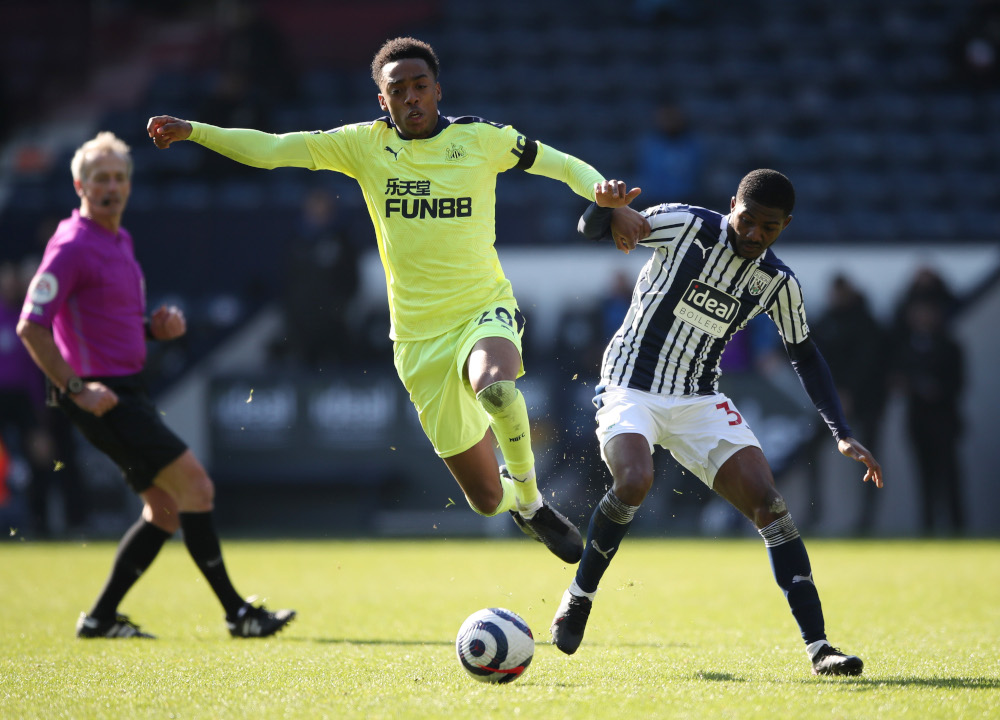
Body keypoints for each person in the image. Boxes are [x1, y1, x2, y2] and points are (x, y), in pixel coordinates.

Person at [146, 37, 638, 563]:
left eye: (419, 86)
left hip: (482, 310)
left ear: (437, 90)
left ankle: (534, 502)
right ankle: (514, 502)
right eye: (397, 89)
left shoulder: (480, 138)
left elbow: (559, 164)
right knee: (485, 500)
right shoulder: (363, 145)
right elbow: (272, 149)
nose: (411, 97)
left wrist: (600, 193)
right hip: (416, 339)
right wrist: (196, 131)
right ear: (382, 100)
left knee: (497, 390)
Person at [549, 170, 883, 677]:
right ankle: (580, 595)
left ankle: (820, 649)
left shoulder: (778, 281)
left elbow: (806, 355)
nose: (753, 234)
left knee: (770, 505)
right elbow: (597, 229)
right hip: (629, 385)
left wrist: (841, 432)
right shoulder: (686, 226)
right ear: (732, 205)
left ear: (784, 226)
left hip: (698, 399)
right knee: (635, 481)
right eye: (747, 220)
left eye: (767, 228)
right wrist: (604, 208)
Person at [17, 131, 295, 639]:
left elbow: (103, 319)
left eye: (120, 178)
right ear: (79, 183)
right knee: (197, 486)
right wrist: (78, 388)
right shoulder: (72, 245)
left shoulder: (117, 239)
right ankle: (238, 614)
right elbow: (31, 325)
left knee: (165, 510)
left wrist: (152, 329)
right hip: (103, 396)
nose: (112, 187)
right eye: (101, 178)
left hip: (125, 389)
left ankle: (100, 619)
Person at [893, 294, 965, 536]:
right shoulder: (905, 347)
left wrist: (938, 389)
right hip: (918, 420)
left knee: (949, 476)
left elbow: (959, 382)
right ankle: (928, 527)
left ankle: (957, 526)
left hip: (944, 420)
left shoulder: (950, 346)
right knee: (923, 476)